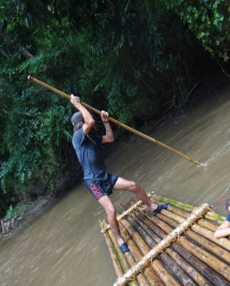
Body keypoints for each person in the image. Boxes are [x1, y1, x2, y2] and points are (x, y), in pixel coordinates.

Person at [70, 95, 169, 253]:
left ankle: (153, 207)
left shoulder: (92, 139)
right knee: (111, 210)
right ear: (80, 124)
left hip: (105, 177)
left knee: (133, 186)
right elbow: (90, 121)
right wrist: (77, 104)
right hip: (93, 182)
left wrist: (105, 121)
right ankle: (119, 239)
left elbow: (110, 138)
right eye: (84, 119)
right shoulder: (77, 138)